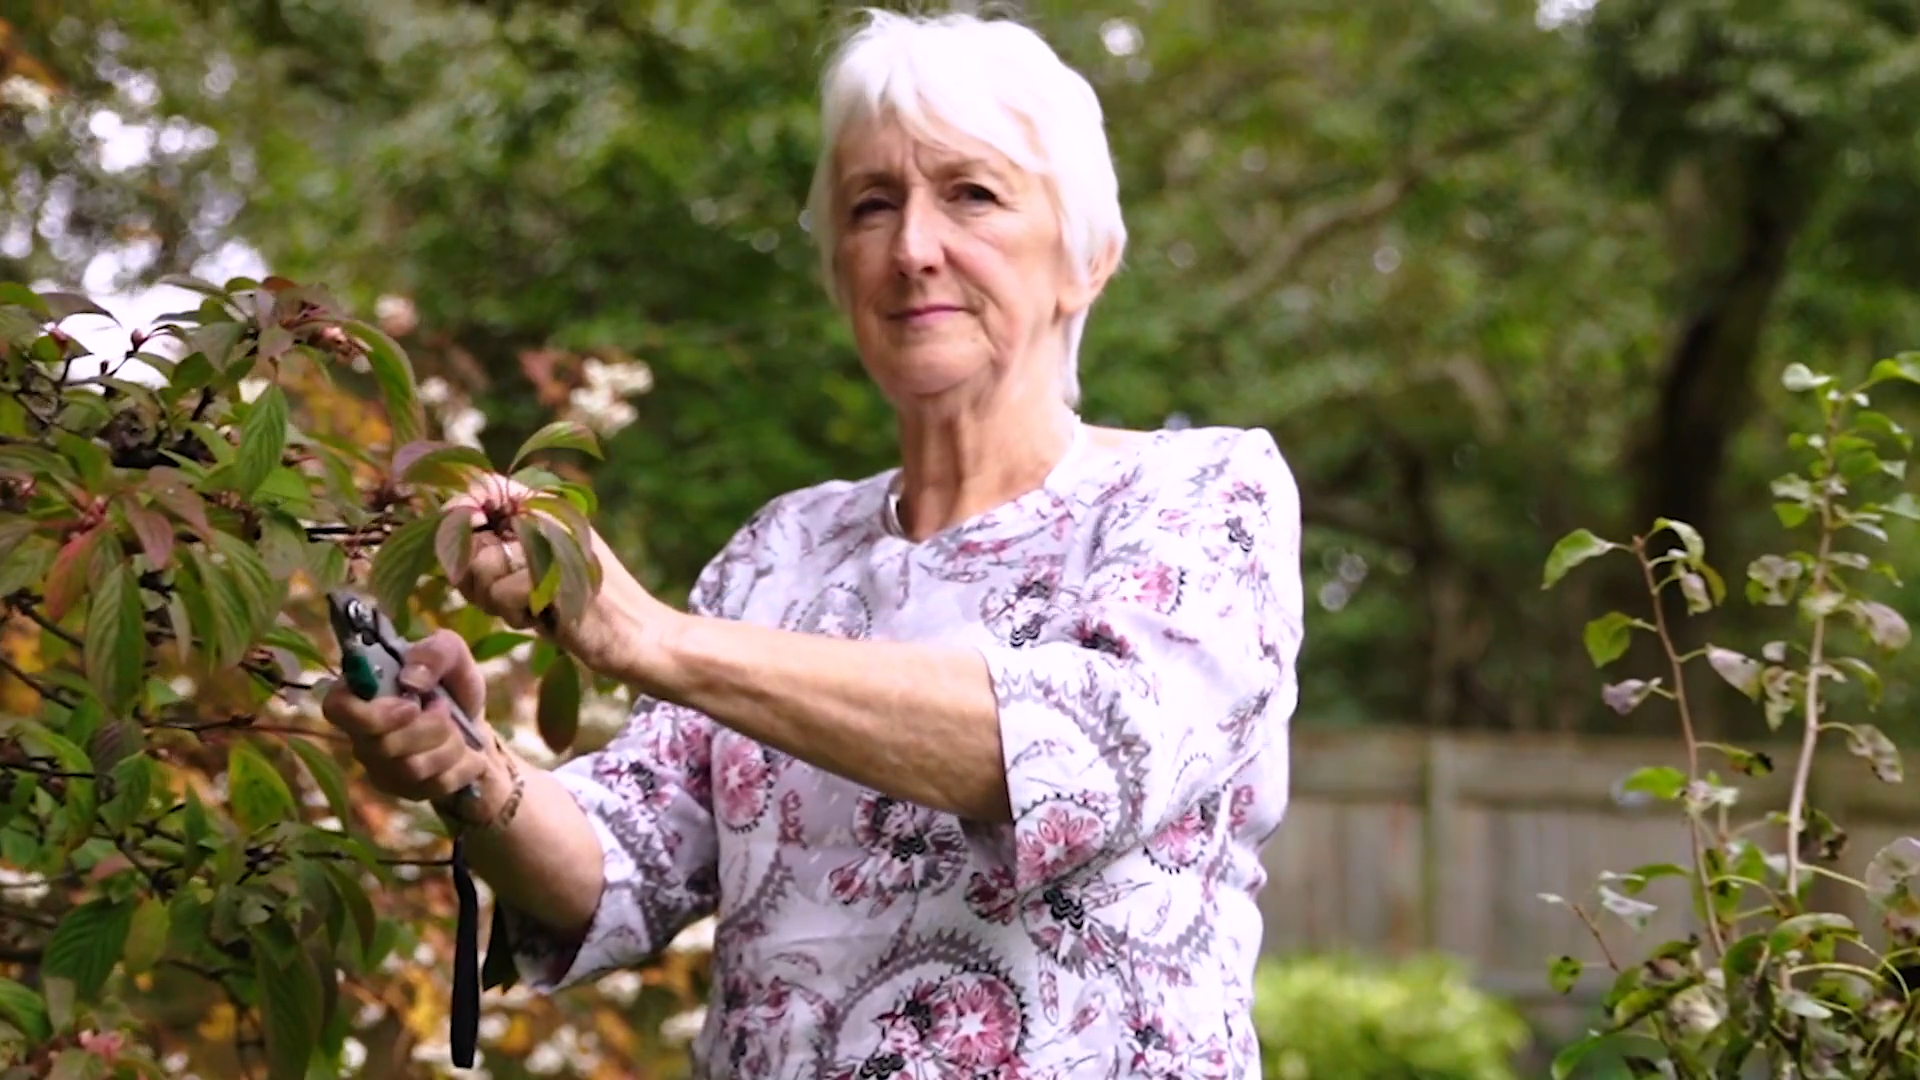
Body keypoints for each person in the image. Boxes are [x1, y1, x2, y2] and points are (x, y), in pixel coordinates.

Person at [321, 8, 1303, 1078]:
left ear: (1088, 258)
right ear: (840, 268)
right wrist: (467, 763)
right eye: (872, 206)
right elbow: (625, 861)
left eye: (971, 194)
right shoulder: (780, 552)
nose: (915, 247)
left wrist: (652, 636)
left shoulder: (1200, 494)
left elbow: (1075, 760)